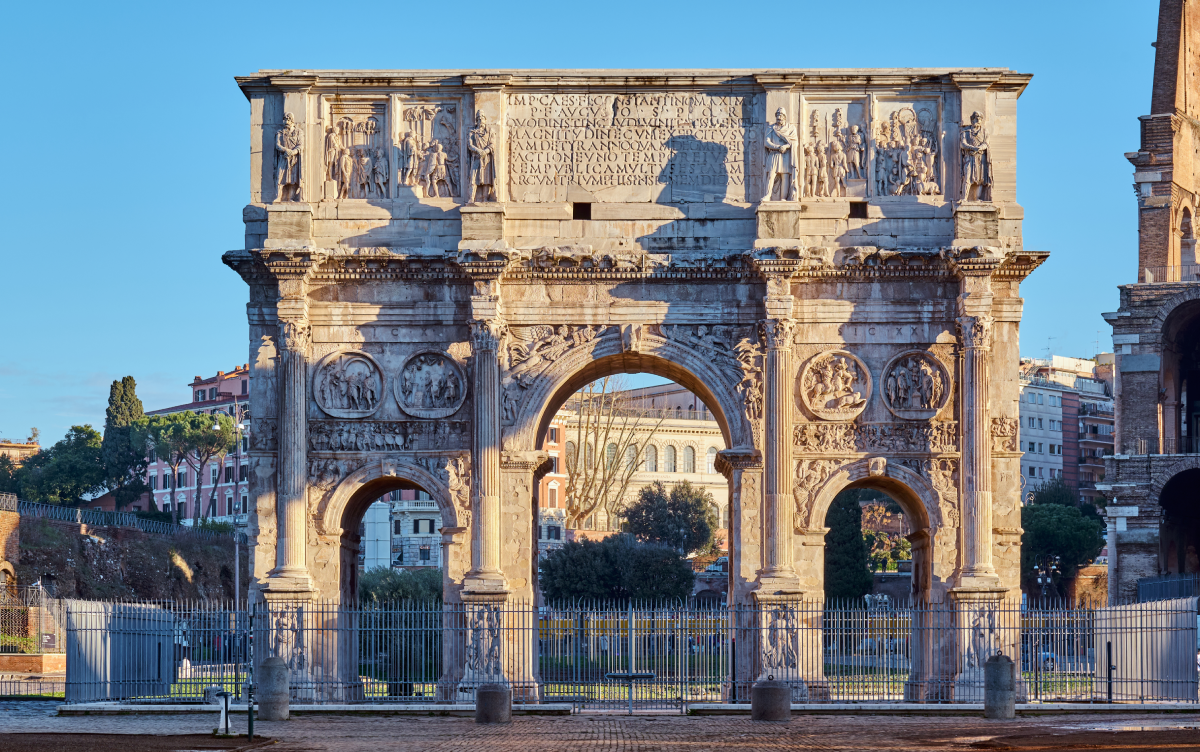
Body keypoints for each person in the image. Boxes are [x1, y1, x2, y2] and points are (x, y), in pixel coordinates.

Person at [761, 107, 797, 201]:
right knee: (771, 174)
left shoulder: (791, 128)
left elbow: (794, 142)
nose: (779, 117)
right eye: (777, 116)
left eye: (781, 116)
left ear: (785, 117)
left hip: (786, 155)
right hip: (774, 154)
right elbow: (766, 142)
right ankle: (768, 195)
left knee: (785, 175)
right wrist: (777, 147)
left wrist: (785, 146)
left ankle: (783, 198)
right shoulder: (771, 128)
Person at [960, 111, 992, 201]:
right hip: (969, 157)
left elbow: (986, 143)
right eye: (976, 119)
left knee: (980, 178)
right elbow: (963, 144)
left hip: (980, 158)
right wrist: (972, 148)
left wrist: (979, 148)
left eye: (980, 119)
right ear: (972, 120)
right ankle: (964, 198)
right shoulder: (965, 132)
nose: (978, 121)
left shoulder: (985, 132)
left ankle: (978, 198)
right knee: (967, 177)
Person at [468, 112, 497, 202]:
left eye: (482, 118)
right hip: (476, 157)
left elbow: (492, 144)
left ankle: (485, 198)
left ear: (485, 120)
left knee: (486, 178)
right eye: (479, 119)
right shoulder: (472, 132)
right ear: (476, 121)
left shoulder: (490, 131)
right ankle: (472, 198)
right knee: (473, 178)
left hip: (486, 157)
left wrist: (485, 151)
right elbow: (470, 145)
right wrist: (478, 150)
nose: (481, 120)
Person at [275, 112, 304, 202]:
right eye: (285, 119)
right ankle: (278, 197)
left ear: (292, 121)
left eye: (288, 119)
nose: (286, 121)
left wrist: (293, 152)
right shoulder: (280, 133)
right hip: (283, 157)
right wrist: (286, 150)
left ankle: (290, 198)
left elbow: (300, 145)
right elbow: (277, 145)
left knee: (292, 178)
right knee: (279, 177)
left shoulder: (298, 132)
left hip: (293, 158)